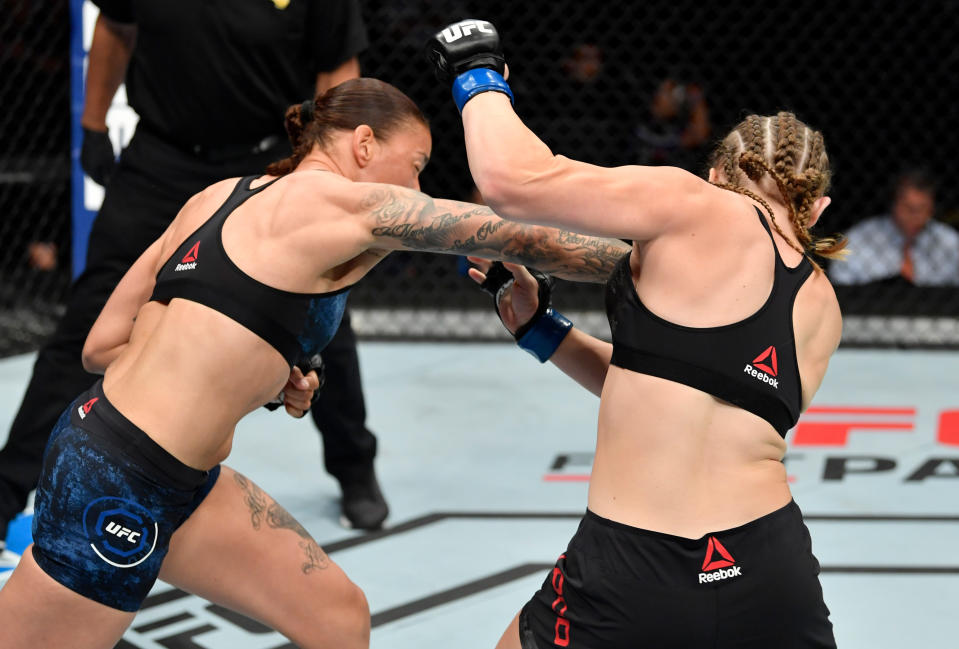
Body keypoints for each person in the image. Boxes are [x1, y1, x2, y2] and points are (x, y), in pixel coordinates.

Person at [0, 78, 631, 649]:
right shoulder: (345, 207)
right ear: (362, 145)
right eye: (414, 167)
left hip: (167, 472)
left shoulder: (219, 196)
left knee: (335, 616)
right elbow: (524, 237)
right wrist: (678, 261)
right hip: (118, 480)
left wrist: (260, 372)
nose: (414, 189)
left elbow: (103, 345)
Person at [428, 20, 846, 648]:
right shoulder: (823, 306)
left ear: (716, 174)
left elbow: (511, 182)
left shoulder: (694, 202)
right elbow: (678, 394)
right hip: (769, 566)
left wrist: (476, 71)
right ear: (816, 210)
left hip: (632, 563)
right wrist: (544, 331)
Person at [0, 0, 388, 551]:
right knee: (89, 317)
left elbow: (338, 68)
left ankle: (354, 465)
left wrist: (325, 167)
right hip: (162, 162)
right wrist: (92, 123)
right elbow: (116, 26)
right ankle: (5, 492)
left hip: (271, 161)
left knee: (320, 319)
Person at [829, 168, 959, 286]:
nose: (914, 216)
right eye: (907, 207)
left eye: (922, 208)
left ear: (933, 208)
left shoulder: (949, 242)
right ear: (893, 203)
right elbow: (838, 287)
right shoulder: (858, 240)